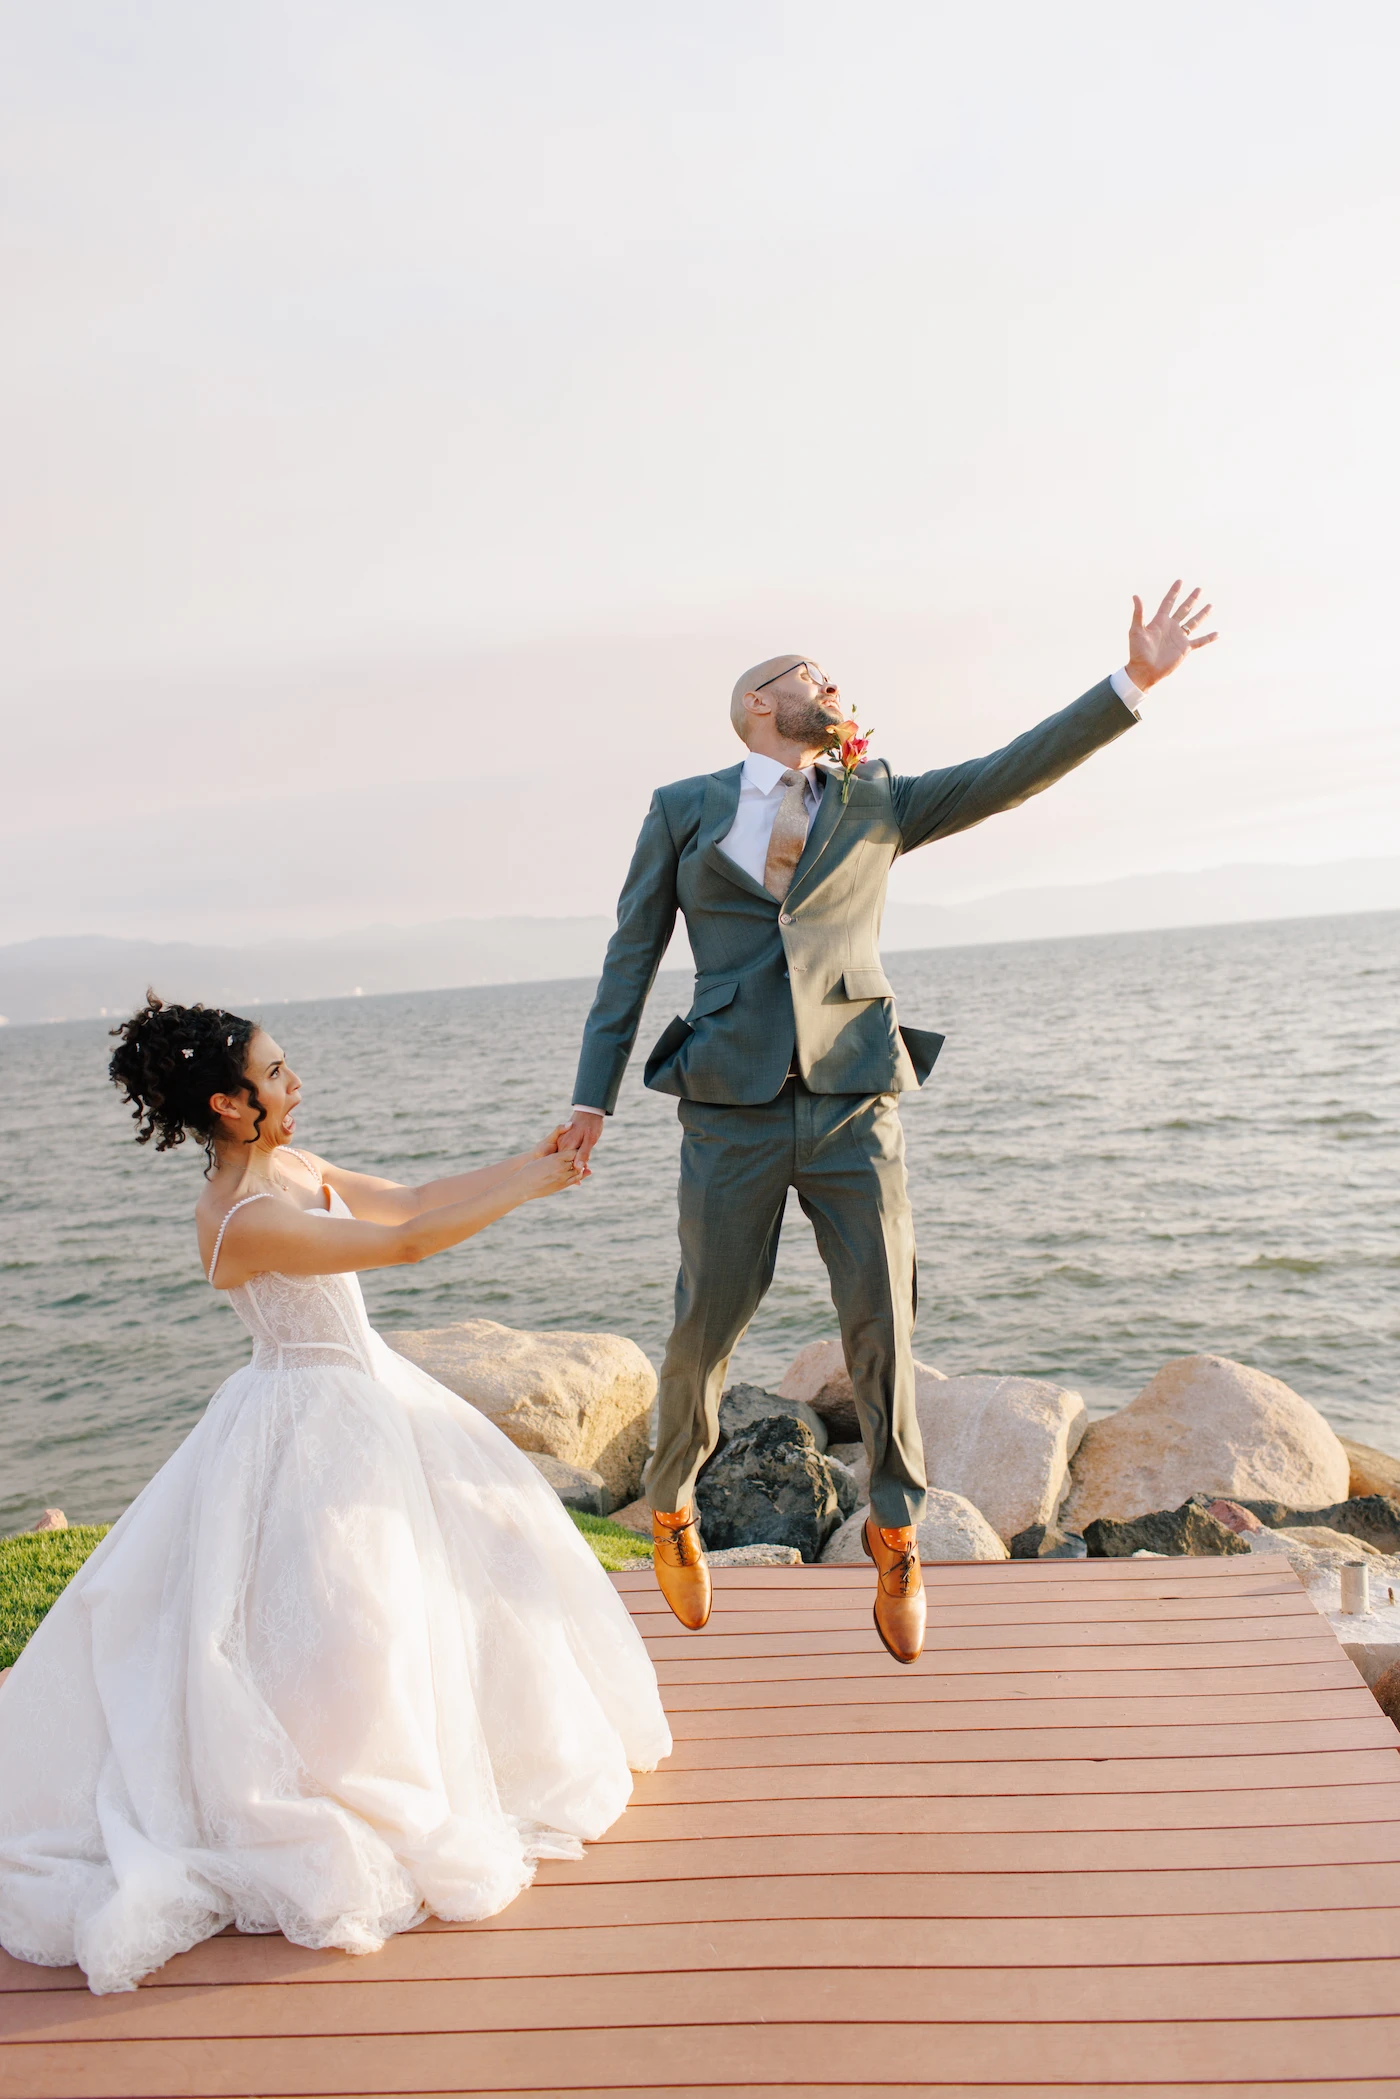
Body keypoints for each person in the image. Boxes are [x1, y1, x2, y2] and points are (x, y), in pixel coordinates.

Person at [561, 585, 1218, 1659]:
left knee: (884, 1322)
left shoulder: (873, 797)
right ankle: (672, 1502)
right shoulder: (682, 806)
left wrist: (1129, 684)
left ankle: (897, 1532)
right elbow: (627, 957)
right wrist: (589, 1097)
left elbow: (1006, 774)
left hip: (854, 1098)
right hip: (727, 1107)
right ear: (758, 703)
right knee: (704, 1325)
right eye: (810, 675)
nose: (831, 688)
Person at [0, 996, 671, 1996]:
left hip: (369, 1396)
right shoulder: (242, 1216)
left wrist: (529, 1160)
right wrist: (530, 1189)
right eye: (275, 1073)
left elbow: (407, 1200)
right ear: (228, 1104)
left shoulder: (294, 1169)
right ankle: (326, 1786)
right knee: (348, 1618)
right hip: (306, 1425)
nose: (294, 1081)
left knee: (434, 1588)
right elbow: (401, 1248)